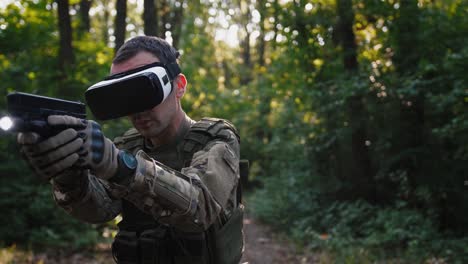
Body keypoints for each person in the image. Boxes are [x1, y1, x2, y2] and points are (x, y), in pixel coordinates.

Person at [17, 36, 244, 264]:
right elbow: (100, 210)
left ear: (179, 86)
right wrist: (68, 173)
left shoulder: (216, 137)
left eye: (145, 90)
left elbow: (201, 207)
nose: (138, 110)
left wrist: (122, 168)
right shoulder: (127, 146)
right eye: (125, 96)